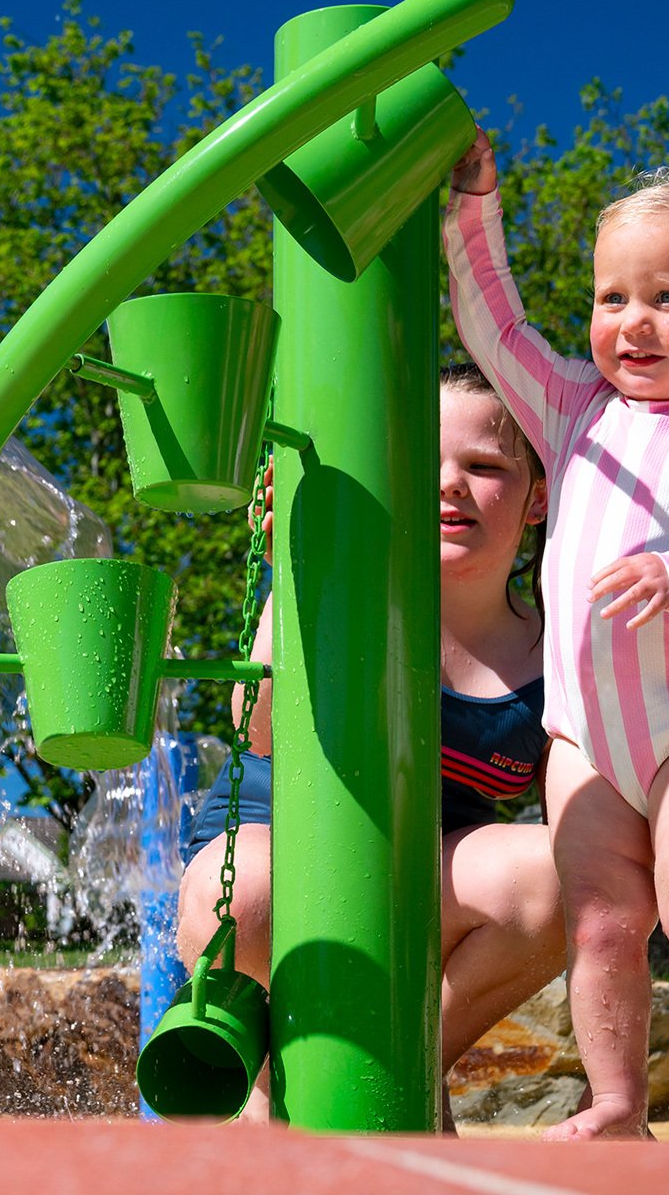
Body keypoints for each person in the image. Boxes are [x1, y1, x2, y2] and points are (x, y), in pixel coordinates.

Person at [446, 130, 669, 1141]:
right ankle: (616, 1102)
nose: (633, 323)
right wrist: (475, 210)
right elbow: (496, 328)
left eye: (668, 298)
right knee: (603, 922)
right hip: (587, 739)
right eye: (613, 298)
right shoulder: (575, 413)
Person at [176, 365, 567, 1126]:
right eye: (427, 467)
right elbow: (255, 727)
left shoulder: (556, 649)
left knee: (568, 873)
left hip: (433, 867)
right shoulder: (352, 587)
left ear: (538, 497)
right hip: (281, 838)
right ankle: (275, 1077)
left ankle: (412, 1065)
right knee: (244, 896)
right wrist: (294, 569)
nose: (451, 486)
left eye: (485, 468)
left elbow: (572, 821)